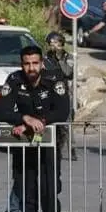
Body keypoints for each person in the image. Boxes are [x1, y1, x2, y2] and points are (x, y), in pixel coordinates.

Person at [0, 45, 70, 212]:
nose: (31, 68)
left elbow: (62, 110)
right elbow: (4, 111)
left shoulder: (54, 80)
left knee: (49, 196)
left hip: (49, 148)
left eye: (35, 63)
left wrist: (42, 121)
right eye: (27, 64)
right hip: (24, 149)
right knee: (28, 197)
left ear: (41, 63)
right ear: (22, 64)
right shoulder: (14, 81)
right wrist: (25, 119)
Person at [43, 32, 77, 161]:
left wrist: (60, 59)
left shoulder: (67, 57)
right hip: (49, 93)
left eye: (55, 43)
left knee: (66, 123)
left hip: (63, 93)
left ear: (61, 44)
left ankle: (72, 149)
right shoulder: (46, 57)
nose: (53, 46)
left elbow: (68, 72)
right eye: (50, 44)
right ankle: (55, 148)